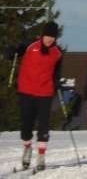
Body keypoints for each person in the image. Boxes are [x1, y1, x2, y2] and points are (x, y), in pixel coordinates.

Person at [15, 21, 63, 172]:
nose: (49, 39)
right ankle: (27, 148)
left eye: (52, 37)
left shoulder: (57, 53)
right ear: (42, 35)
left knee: (43, 125)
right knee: (26, 125)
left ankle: (41, 156)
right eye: (47, 36)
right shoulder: (30, 45)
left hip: (45, 93)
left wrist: (57, 83)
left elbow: (57, 73)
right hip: (26, 91)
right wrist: (11, 52)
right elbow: (15, 53)